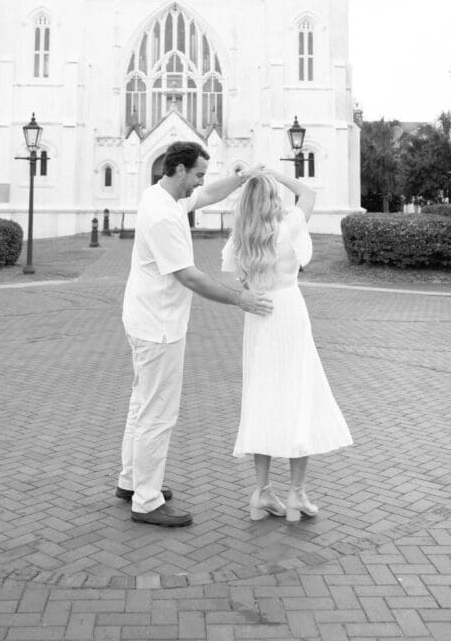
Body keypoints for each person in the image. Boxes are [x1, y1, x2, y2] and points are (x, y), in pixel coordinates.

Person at [117, 141, 273, 528]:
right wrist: (240, 298)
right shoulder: (162, 217)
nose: (200, 181)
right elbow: (188, 276)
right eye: (198, 174)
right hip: (158, 326)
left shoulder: (162, 195)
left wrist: (242, 178)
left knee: (141, 402)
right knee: (158, 413)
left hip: (145, 317)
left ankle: (131, 480)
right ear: (180, 170)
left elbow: (205, 195)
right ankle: (147, 500)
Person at [222, 169, 353, 522]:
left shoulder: (240, 240)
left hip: (260, 316)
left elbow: (241, 280)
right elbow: (309, 193)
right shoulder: (288, 226)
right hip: (290, 313)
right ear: (273, 199)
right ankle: (296, 493)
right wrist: (274, 173)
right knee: (298, 395)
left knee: (262, 397)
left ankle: (262, 492)